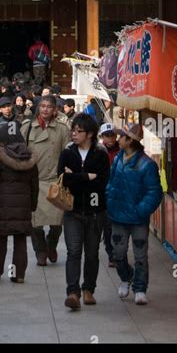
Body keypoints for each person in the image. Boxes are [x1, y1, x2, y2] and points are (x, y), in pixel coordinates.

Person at [106, 123, 162, 306]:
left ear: (130, 140)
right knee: (118, 253)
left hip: (138, 219)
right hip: (117, 216)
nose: (118, 139)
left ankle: (140, 288)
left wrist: (141, 210)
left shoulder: (147, 165)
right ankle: (125, 277)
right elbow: (110, 181)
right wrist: (110, 198)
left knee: (140, 255)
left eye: (121, 136)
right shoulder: (117, 159)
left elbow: (154, 192)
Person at [58, 115, 110, 310]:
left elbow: (102, 181)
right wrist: (87, 176)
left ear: (90, 134)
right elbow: (62, 179)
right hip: (72, 210)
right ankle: (73, 292)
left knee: (92, 253)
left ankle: (89, 289)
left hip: (96, 211)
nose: (74, 133)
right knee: (73, 252)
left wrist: (76, 177)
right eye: (73, 129)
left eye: (78, 131)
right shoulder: (67, 153)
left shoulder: (100, 154)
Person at [0, 122, 39, 283]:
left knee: (0, 238)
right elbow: (35, 185)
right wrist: (32, 205)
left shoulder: (0, 157)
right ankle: (18, 274)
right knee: (20, 240)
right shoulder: (30, 159)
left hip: (3, 205)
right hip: (24, 205)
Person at [20, 95, 70, 266]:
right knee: (35, 223)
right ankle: (40, 251)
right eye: (42, 106)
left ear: (55, 109)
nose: (45, 109)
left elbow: (67, 154)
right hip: (35, 180)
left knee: (57, 221)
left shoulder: (63, 129)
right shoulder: (27, 127)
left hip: (55, 180)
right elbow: (21, 154)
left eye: (49, 106)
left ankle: (52, 244)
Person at [98, 123, 121, 266]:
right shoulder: (98, 151)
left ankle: (119, 250)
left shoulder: (123, 150)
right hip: (104, 193)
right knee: (108, 226)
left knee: (119, 224)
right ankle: (111, 253)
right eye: (107, 136)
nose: (110, 138)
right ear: (102, 137)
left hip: (120, 192)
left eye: (112, 135)